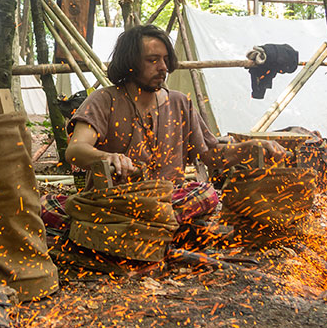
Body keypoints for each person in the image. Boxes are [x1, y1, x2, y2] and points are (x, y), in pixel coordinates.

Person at [44, 24, 286, 230]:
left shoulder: (180, 103)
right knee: (46, 206)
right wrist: (108, 157)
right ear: (130, 63)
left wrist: (251, 147)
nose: (163, 67)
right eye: (152, 60)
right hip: (114, 202)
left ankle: (148, 225)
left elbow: (212, 154)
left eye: (165, 60)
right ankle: (157, 227)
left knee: (205, 194)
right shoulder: (104, 100)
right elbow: (75, 150)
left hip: (168, 200)